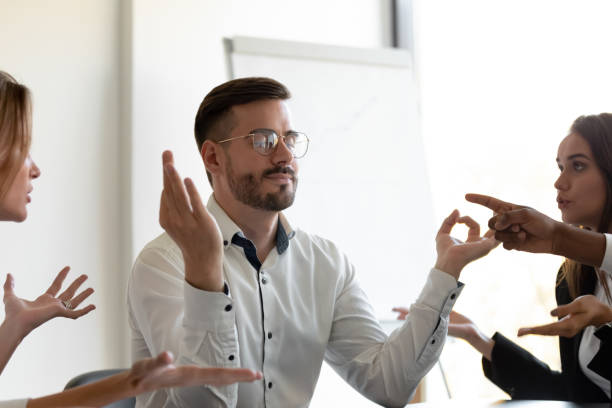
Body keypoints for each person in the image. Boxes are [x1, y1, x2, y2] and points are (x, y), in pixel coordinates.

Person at [127, 77, 499, 407]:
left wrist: (446, 270)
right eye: (264, 140)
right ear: (213, 157)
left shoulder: (325, 262)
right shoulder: (164, 263)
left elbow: (389, 384)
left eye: (289, 139)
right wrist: (205, 271)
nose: (285, 155)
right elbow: (204, 405)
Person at [0, 71, 261, 408]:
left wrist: (14, 328)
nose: (35, 169)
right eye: (24, 148)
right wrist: (128, 384)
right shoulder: (160, 261)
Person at [395, 113, 612, 402]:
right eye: (560, 167)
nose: (559, 182)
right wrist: (477, 336)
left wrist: (608, 318)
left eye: (578, 166)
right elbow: (574, 394)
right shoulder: (574, 277)